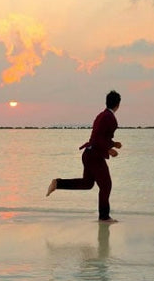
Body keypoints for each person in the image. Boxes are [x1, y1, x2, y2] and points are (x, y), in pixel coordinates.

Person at [47, 90, 122, 222]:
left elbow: (98, 136)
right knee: (106, 185)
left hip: (89, 153)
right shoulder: (109, 118)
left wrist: (113, 144)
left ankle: (58, 183)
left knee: (87, 183)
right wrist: (110, 149)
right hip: (94, 156)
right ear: (118, 105)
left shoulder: (102, 115)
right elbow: (99, 138)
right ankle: (104, 216)